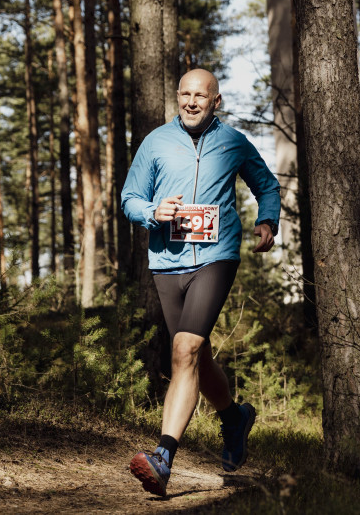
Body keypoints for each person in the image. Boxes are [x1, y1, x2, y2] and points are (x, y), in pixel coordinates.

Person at [122, 68, 280, 497]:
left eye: (201, 95)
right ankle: (234, 418)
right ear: (178, 97)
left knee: (185, 348)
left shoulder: (233, 142)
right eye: (185, 94)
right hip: (166, 262)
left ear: (216, 101)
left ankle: (162, 456)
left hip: (216, 256)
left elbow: (266, 184)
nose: (192, 102)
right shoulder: (155, 142)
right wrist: (155, 211)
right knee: (194, 355)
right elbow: (130, 198)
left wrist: (268, 220)